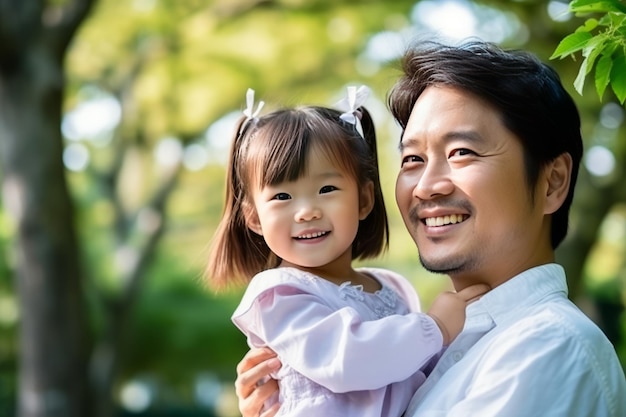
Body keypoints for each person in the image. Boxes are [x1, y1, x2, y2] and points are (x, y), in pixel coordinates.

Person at [233, 40, 626, 417]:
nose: (426, 185)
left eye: (462, 152)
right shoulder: (449, 339)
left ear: (552, 182)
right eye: (413, 159)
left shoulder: (548, 346)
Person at [206, 86, 488, 417]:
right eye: (282, 197)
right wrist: (435, 326)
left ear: (364, 200)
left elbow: (419, 373)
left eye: (327, 189)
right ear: (253, 216)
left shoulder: (391, 288)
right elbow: (346, 360)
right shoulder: (279, 295)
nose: (306, 211)